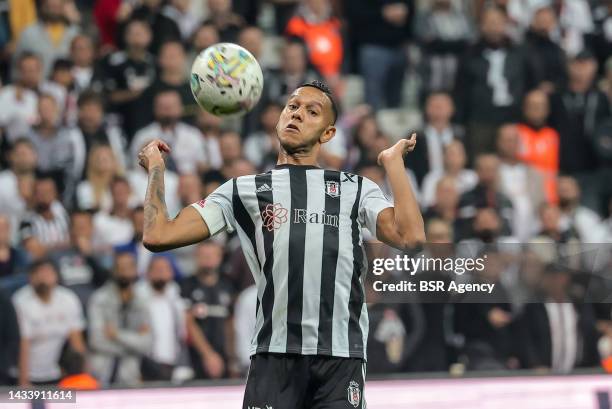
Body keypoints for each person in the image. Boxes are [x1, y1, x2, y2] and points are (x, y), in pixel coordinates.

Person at [137, 80, 425, 408]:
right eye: (292, 107)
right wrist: (157, 170)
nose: (297, 115)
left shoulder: (353, 188)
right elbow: (157, 235)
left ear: (328, 133)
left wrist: (393, 163)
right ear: (278, 118)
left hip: (340, 359)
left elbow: (411, 237)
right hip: (274, 357)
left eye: (312, 112)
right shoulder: (243, 190)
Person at [12, 259, 86, 386]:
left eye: (47, 273)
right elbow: (23, 344)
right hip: (23, 373)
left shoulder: (68, 299)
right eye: (38, 274)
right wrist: (24, 384)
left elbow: (77, 342)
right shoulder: (20, 301)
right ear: (30, 278)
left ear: (56, 276)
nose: (43, 278)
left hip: (56, 372)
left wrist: (83, 377)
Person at [88, 250, 152, 386]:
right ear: (114, 271)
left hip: (131, 373)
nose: (125, 273)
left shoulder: (142, 301)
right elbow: (97, 340)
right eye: (121, 268)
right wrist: (134, 343)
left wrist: (116, 335)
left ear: (136, 270)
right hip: (102, 372)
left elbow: (146, 344)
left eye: (129, 267)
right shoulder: (99, 299)